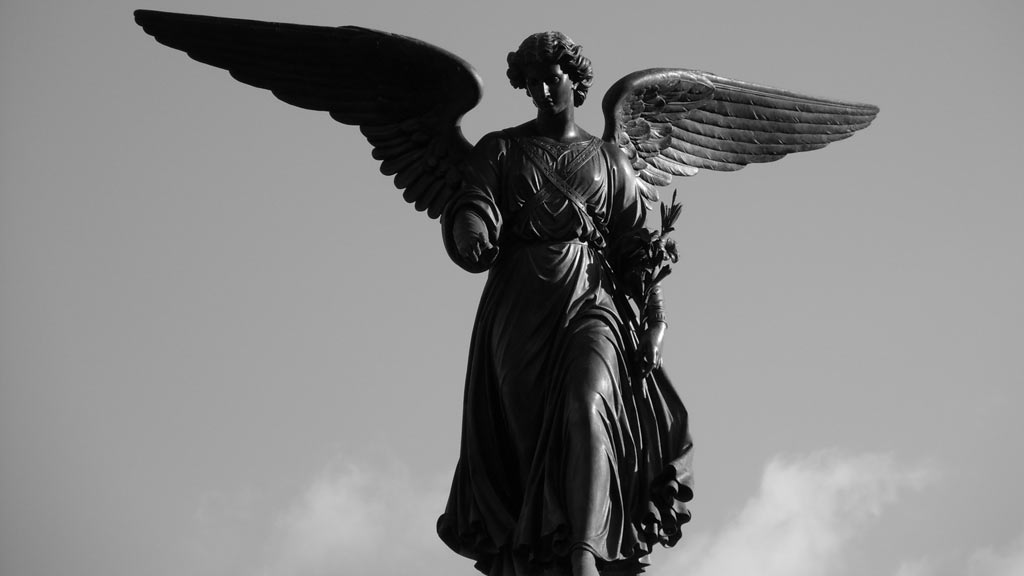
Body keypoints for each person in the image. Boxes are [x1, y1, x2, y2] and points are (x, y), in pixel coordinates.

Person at [437, 32, 693, 576]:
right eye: (531, 82)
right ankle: (541, 552)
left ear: (575, 79)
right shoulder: (500, 149)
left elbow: (633, 247)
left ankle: (585, 550)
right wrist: (468, 229)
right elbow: (474, 203)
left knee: (587, 403)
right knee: (529, 445)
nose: (541, 90)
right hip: (520, 305)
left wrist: (656, 321)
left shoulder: (610, 160)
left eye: (550, 77)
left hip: (592, 301)